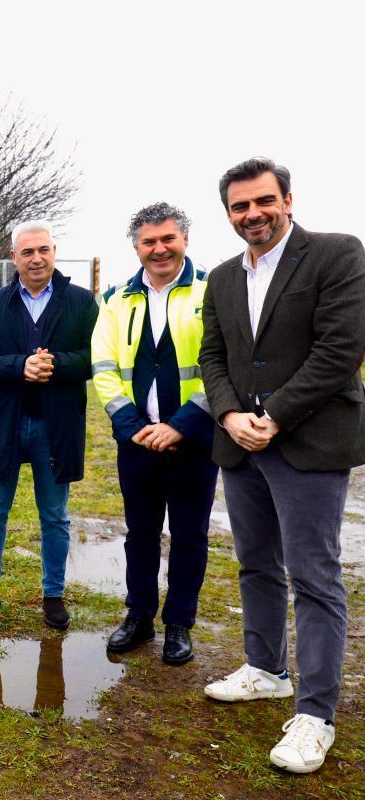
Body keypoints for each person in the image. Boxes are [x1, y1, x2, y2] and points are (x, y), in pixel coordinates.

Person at [199, 157, 365, 773]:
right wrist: (227, 416)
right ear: (229, 214)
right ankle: (266, 667)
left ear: (288, 200)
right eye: (240, 207)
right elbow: (213, 357)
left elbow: (341, 349)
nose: (253, 215)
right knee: (256, 564)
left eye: (263, 201)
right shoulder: (220, 278)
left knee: (314, 577)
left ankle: (315, 715)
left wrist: (274, 415)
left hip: (308, 442)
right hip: (239, 444)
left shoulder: (337, 254)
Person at [92, 203, 216, 665]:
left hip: (194, 439)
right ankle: (139, 617)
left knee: (189, 535)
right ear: (136, 247)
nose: (159, 248)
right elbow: (103, 368)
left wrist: (181, 425)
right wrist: (133, 427)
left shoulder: (212, 291)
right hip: (137, 442)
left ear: (184, 240)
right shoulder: (115, 300)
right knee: (139, 532)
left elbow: (218, 367)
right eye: (149, 241)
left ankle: (179, 624)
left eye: (168, 239)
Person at [0, 220, 98, 629]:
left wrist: (52, 365)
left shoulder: (81, 302)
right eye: (27, 252)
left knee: (54, 515)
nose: (36, 258)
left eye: (43, 250)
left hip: (56, 427)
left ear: (54, 251)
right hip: (5, 424)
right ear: (14, 257)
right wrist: (21, 366)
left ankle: (53, 595)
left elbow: (95, 357)